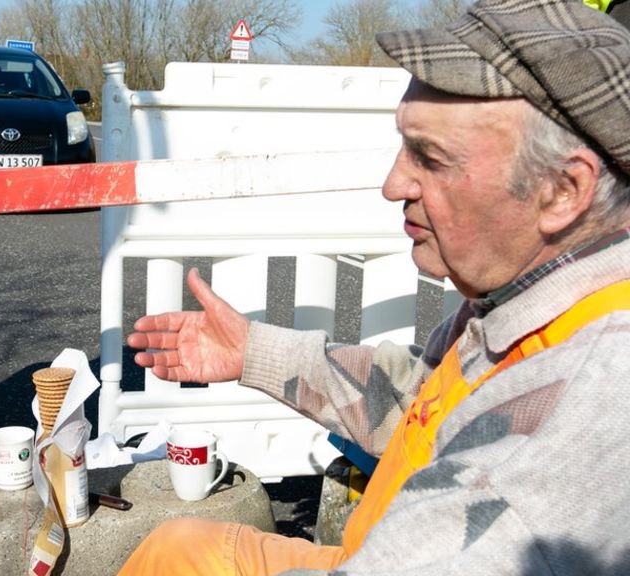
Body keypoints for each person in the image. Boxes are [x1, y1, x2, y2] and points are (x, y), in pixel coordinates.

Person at [118, 0, 630, 574]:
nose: (392, 185)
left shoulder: (533, 464)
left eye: (429, 158)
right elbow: (417, 400)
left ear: (562, 190)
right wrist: (250, 351)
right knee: (180, 547)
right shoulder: (532, 298)